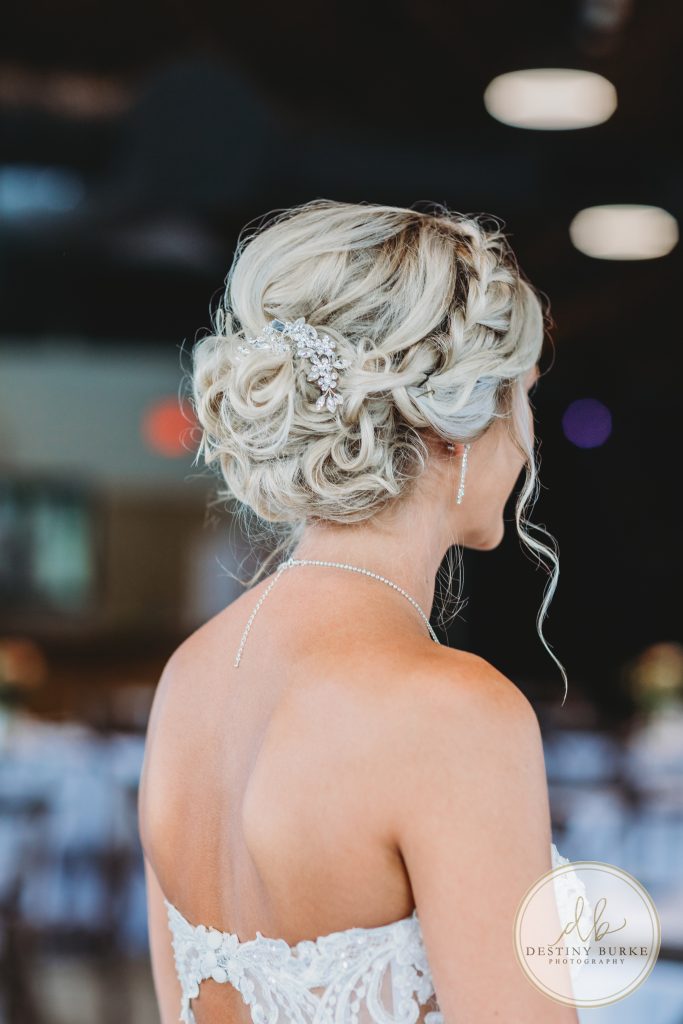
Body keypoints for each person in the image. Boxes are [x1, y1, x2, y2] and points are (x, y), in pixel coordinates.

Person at [138, 200, 580, 1024]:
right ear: (453, 426)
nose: (526, 443)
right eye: (522, 399)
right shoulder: (453, 712)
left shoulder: (189, 675)